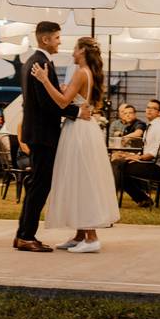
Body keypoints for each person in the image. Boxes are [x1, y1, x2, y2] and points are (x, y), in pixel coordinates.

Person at [31, 36, 120, 253]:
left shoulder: (81, 72)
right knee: (78, 178)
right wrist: (65, 89)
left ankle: (91, 238)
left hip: (78, 130)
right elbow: (74, 98)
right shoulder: (87, 73)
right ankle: (80, 235)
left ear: (82, 51)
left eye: (74, 48)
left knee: (82, 179)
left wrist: (44, 80)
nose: (71, 51)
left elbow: (62, 102)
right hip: (82, 128)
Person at [13, 21, 92, 253]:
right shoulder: (39, 63)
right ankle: (27, 236)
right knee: (40, 184)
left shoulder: (35, 62)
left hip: (38, 133)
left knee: (35, 183)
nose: (60, 41)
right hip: (43, 134)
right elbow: (48, 103)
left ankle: (22, 235)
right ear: (45, 39)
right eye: (57, 37)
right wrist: (77, 112)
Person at [110, 99, 160, 207]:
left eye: (153, 108)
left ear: (159, 113)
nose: (149, 110)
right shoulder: (152, 126)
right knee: (119, 163)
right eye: (148, 107)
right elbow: (147, 150)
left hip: (156, 167)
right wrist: (131, 156)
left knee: (118, 166)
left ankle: (112, 200)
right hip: (149, 163)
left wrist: (139, 158)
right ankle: (143, 199)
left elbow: (158, 152)